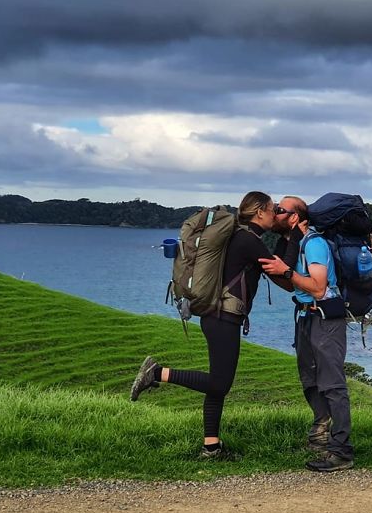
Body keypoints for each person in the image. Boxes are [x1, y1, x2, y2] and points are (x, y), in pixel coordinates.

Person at [130, 191, 298, 459]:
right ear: (260, 212)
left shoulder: (239, 236)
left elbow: (273, 266)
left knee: (216, 385)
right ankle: (157, 373)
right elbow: (284, 269)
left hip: (215, 317)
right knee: (220, 384)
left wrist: (282, 237)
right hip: (224, 319)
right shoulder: (248, 240)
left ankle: (211, 448)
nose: (275, 213)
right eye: (273, 208)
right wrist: (294, 235)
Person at [260, 216, 354, 472]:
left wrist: (287, 271)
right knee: (309, 379)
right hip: (305, 316)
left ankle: (342, 451)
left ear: (294, 217)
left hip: (325, 318)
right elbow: (293, 287)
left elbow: (319, 288)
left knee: (332, 384)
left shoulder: (314, 244)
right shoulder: (294, 244)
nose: (274, 213)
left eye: (281, 210)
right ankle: (321, 435)